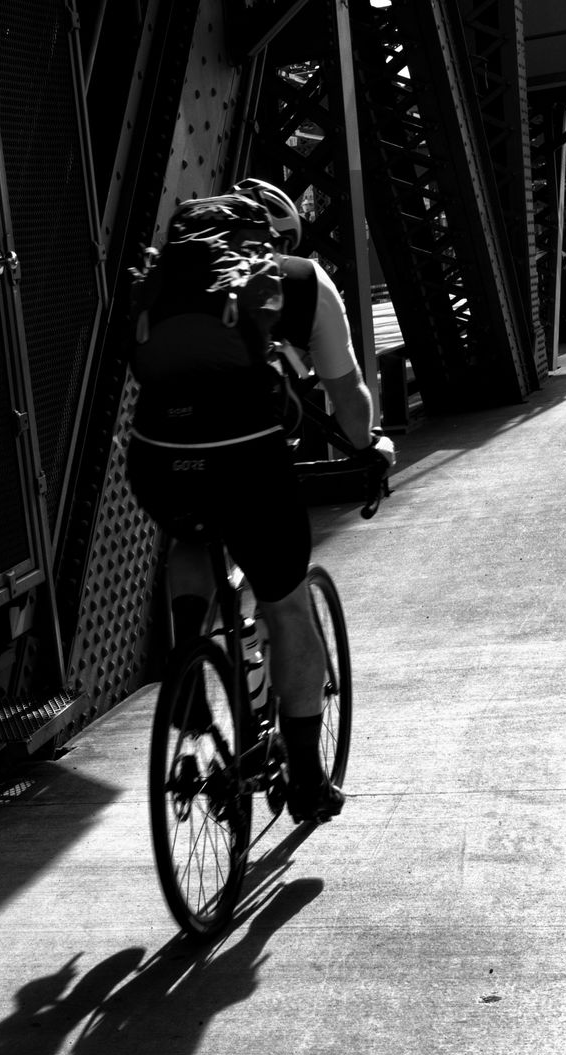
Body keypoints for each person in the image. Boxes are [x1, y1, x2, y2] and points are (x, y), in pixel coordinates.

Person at [124, 176, 393, 824]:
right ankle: (306, 779)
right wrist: (371, 446)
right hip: (243, 455)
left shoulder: (168, 276)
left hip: (156, 451)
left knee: (192, 533)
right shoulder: (299, 279)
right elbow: (349, 395)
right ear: (278, 233)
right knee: (285, 600)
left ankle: (189, 660)